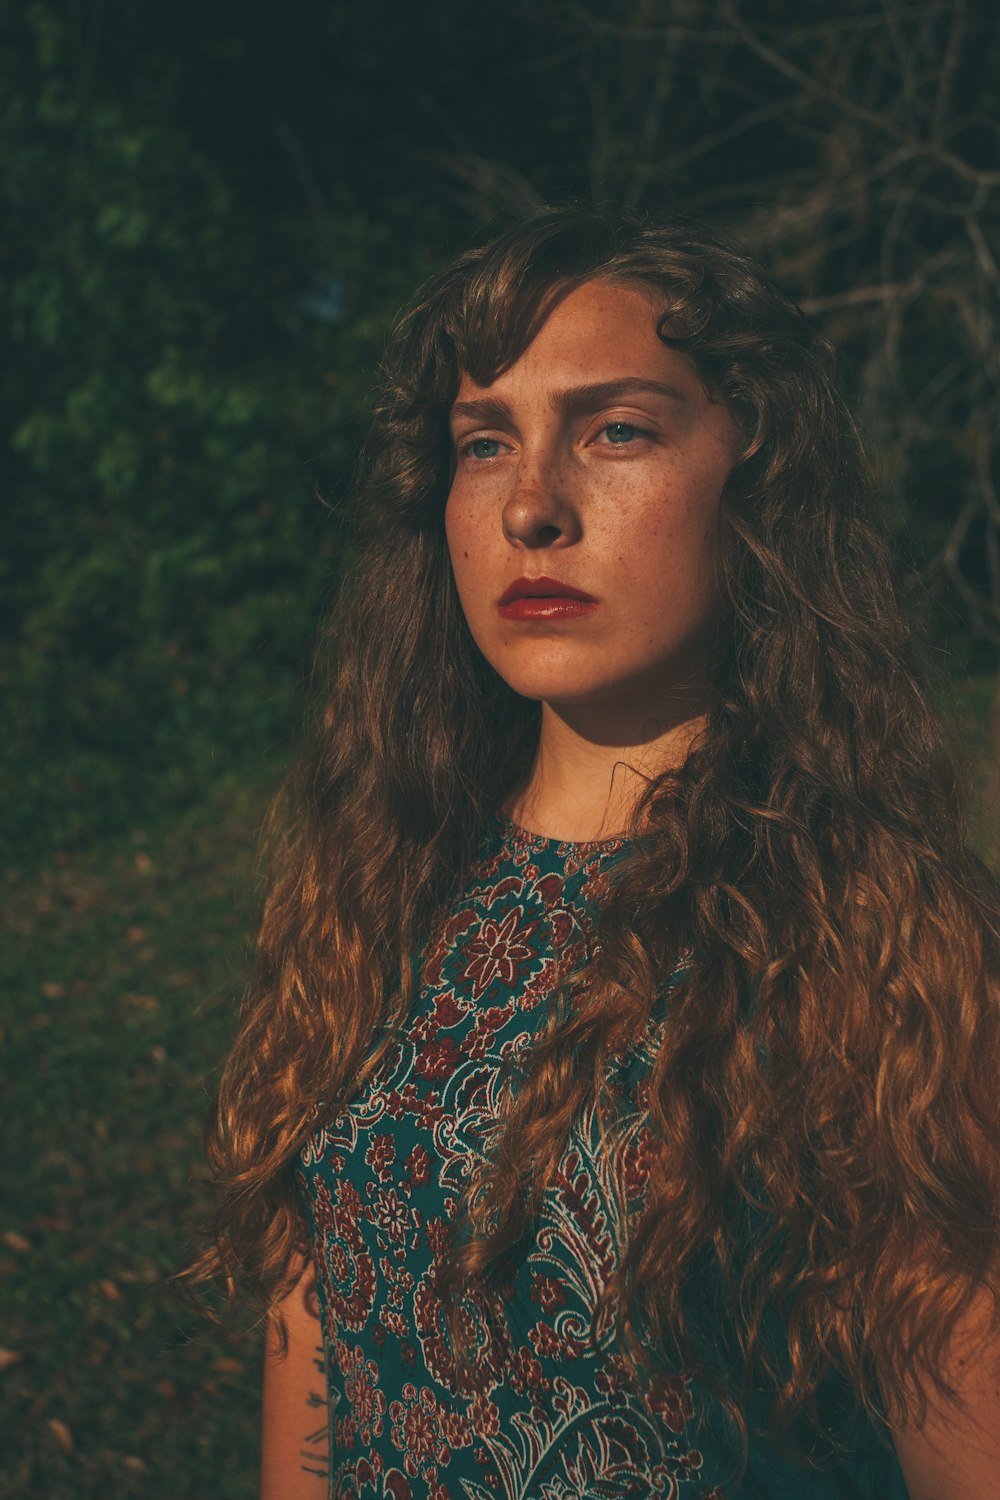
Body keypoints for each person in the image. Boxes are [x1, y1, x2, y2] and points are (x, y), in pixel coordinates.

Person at [189, 207, 1000, 1498]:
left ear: (757, 476)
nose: (531, 506)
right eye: (484, 442)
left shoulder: (888, 945)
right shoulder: (377, 882)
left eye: (617, 430)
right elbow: (320, 1347)